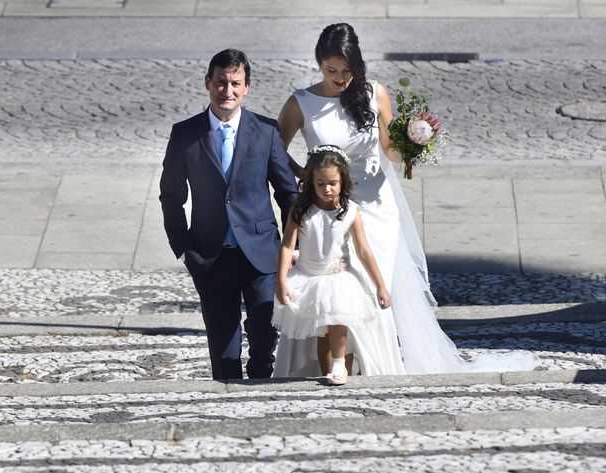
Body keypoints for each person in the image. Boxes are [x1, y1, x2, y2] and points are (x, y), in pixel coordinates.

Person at [273, 23, 539, 377]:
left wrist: (414, 145)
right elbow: (273, 148)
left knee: (366, 286)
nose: (339, 78)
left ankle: (372, 368)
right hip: (326, 208)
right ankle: (331, 366)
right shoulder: (301, 103)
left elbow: (389, 150)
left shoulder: (375, 94)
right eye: (331, 71)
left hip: (374, 205)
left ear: (358, 65)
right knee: (329, 284)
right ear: (319, 65)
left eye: (346, 71)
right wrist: (304, 174)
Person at [159, 49, 299, 380]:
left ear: (247, 87)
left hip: (262, 254)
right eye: (221, 82)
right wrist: (183, 246)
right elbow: (172, 195)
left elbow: (287, 193)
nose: (228, 91)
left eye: (236, 83)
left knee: (265, 336)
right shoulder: (185, 134)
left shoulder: (265, 131)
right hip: (211, 256)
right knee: (224, 349)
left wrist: (293, 247)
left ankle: (261, 394)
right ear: (208, 82)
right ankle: (228, 405)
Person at [272, 145, 396, 385]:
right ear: (311, 182)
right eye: (320, 184)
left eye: (332, 183)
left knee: (337, 320)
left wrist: (380, 285)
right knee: (322, 334)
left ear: (343, 181)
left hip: (338, 277)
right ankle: (327, 368)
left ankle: (340, 364)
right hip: (309, 277)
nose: (327, 189)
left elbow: (363, 250)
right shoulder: (301, 211)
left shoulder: (350, 211)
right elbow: (287, 246)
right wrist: (281, 280)